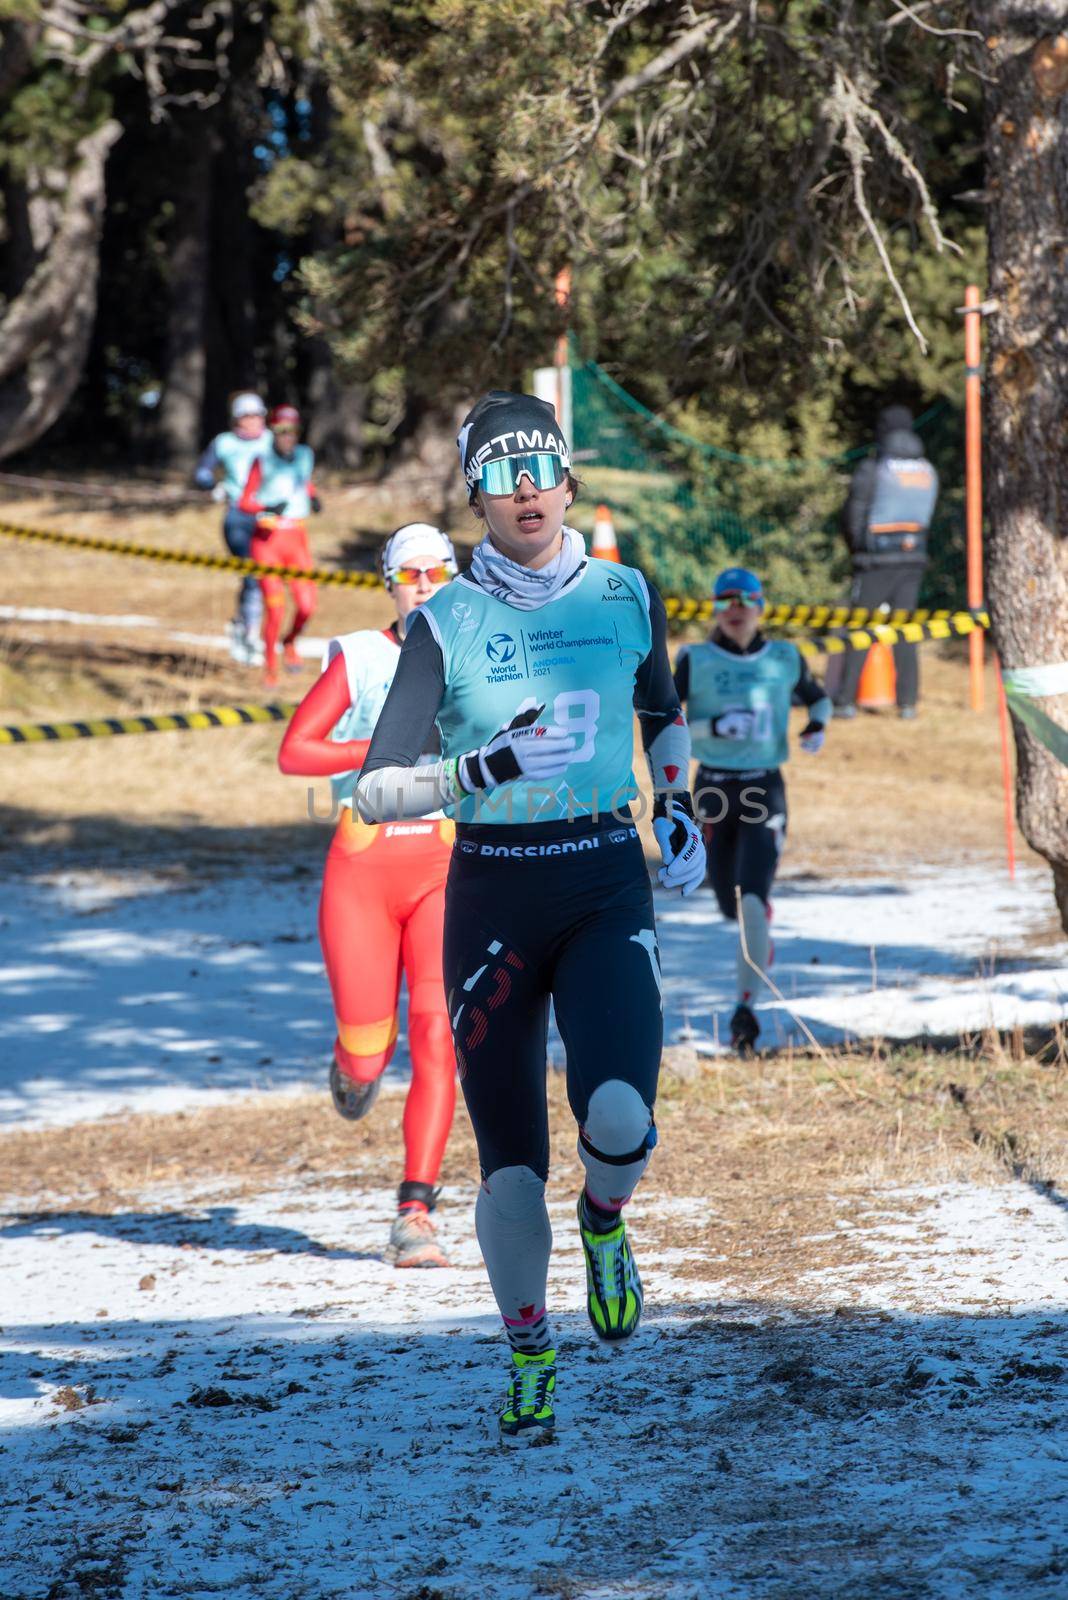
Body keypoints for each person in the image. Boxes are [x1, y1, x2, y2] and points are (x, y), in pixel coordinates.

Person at [354, 390, 705, 1444]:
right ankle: (530, 1355)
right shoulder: (444, 619)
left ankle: (606, 1221)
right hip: (493, 896)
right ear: (475, 495)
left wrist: (678, 806)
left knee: (619, 1122)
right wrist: (482, 766)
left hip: (604, 882)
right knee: (510, 1167)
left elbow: (661, 712)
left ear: (567, 479)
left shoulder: (626, 591)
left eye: (539, 468)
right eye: (500, 477)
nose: (524, 492)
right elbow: (375, 791)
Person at [278, 525, 460, 1267]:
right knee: (368, 1049)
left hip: (446, 864)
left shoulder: (477, 652)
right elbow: (297, 751)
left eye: (438, 572)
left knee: (439, 1035)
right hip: (363, 865)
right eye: (410, 573)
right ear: (389, 582)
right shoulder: (362, 655)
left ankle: (414, 1212)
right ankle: (354, 1068)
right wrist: (385, 747)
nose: (423, 584)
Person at [674, 567, 831, 1055]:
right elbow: (664, 720)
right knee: (726, 901)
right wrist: (714, 726)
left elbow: (819, 699)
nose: (736, 609)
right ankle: (756, 938)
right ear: (715, 610)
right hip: (714, 791)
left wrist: (815, 728)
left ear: (761, 606)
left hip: (765, 788)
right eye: (725, 601)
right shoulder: (694, 659)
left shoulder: (784, 656)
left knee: (751, 902)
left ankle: (746, 1010)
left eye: (746, 600)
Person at [835, 404, 939, 719]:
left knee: (860, 630)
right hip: (913, 559)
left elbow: (854, 515)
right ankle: (907, 703)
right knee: (906, 633)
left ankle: (845, 701)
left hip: (875, 561)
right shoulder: (927, 470)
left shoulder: (874, 468)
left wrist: (857, 552)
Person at [239, 404, 321, 686]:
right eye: (282, 431)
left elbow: (302, 481)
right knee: (275, 608)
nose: (288, 436)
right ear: (273, 431)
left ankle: (290, 642)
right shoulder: (261, 459)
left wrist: (313, 495)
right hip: (268, 542)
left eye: (293, 431)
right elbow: (245, 502)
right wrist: (267, 506)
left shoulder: (304, 455)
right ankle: (270, 667)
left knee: (307, 605)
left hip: (296, 539)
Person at [193, 392, 273, 664]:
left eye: (258, 415)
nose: (254, 421)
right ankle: (249, 634)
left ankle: (246, 627)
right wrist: (213, 486)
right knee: (253, 575)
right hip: (237, 517)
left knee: (265, 578)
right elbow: (202, 471)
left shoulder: (272, 442)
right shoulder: (224, 443)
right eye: (248, 416)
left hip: (269, 520)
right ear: (237, 420)